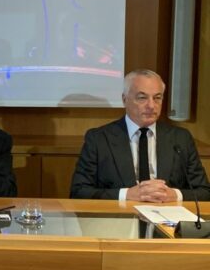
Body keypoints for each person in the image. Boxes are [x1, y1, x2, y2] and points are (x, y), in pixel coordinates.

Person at [70, 69, 210, 201]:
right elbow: (78, 191)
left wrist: (174, 194)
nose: (151, 105)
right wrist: (127, 194)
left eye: (157, 98)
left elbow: (204, 192)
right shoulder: (99, 139)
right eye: (142, 98)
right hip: (120, 215)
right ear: (124, 99)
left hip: (167, 213)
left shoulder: (180, 138)